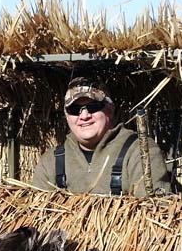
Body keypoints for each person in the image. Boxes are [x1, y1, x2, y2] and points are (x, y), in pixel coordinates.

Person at [30, 77, 172, 197]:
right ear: (67, 117)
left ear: (109, 110)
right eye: (74, 110)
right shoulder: (50, 162)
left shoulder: (141, 152)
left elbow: (155, 212)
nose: (84, 116)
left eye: (93, 107)